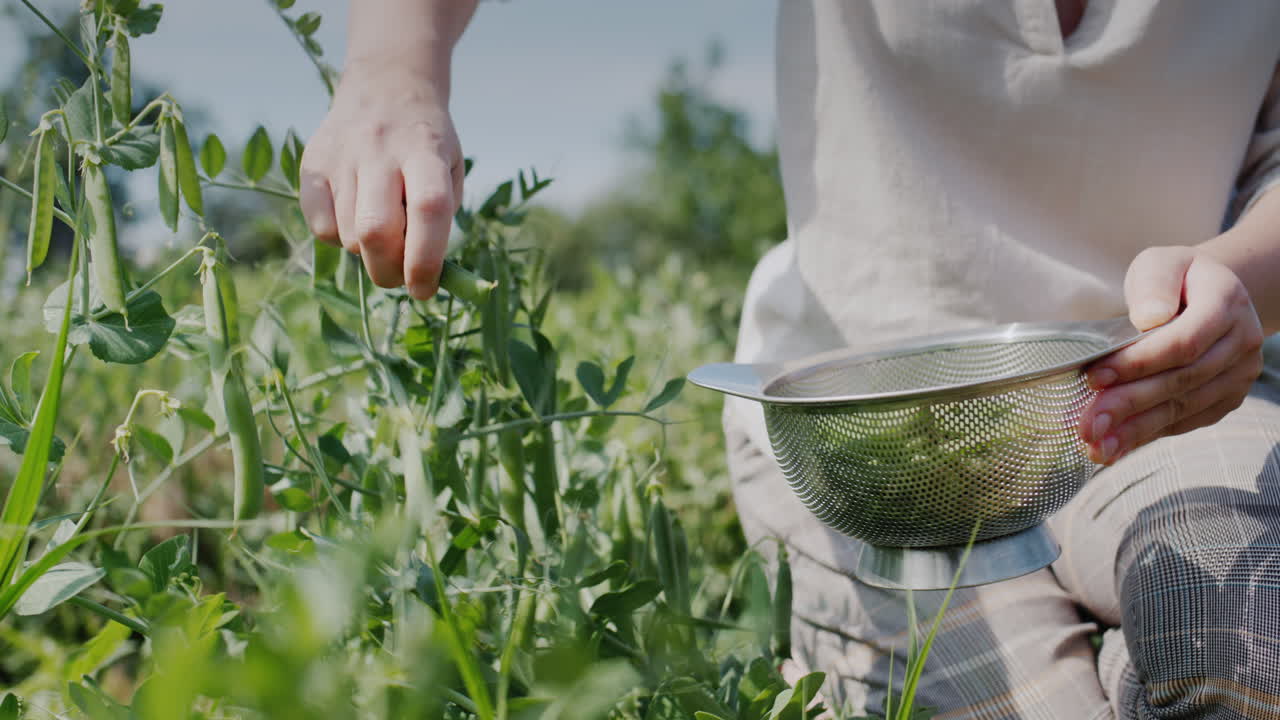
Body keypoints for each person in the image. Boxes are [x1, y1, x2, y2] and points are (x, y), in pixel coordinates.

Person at [300, 1, 1280, 717]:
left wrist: (1233, 276)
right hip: (862, 437)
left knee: (1245, 660)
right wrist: (391, 70)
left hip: (1165, 394)